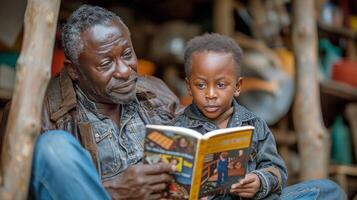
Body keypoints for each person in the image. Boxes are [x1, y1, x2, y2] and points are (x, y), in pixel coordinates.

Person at [0, 4, 183, 199]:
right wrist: (112, 192)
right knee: (54, 147)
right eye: (106, 64)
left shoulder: (155, 91)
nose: (124, 71)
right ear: (74, 70)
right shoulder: (34, 118)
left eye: (127, 54)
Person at [174, 33, 347, 199]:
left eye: (220, 84)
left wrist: (259, 181)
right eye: (201, 85)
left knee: (328, 190)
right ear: (189, 87)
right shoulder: (178, 128)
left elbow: (276, 170)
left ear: (237, 86)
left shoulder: (254, 125)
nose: (210, 94)